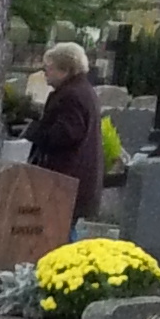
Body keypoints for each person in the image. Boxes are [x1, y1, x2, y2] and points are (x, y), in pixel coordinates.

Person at [27, 39, 104, 219]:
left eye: (49, 67)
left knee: (60, 229)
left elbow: (66, 135)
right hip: (76, 180)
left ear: (65, 70)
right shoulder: (82, 90)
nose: (45, 72)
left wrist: (34, 131)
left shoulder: (71, 95)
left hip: (66, 181)